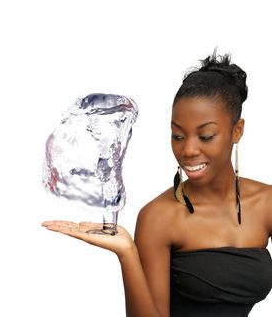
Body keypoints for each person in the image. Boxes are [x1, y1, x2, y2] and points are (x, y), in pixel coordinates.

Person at [42, 52, 272, 317]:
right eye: (177, 135)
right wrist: (128, 253)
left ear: (237, 131)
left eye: (206, 136)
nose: (188, 149)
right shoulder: (158, 217)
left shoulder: (266, 203)